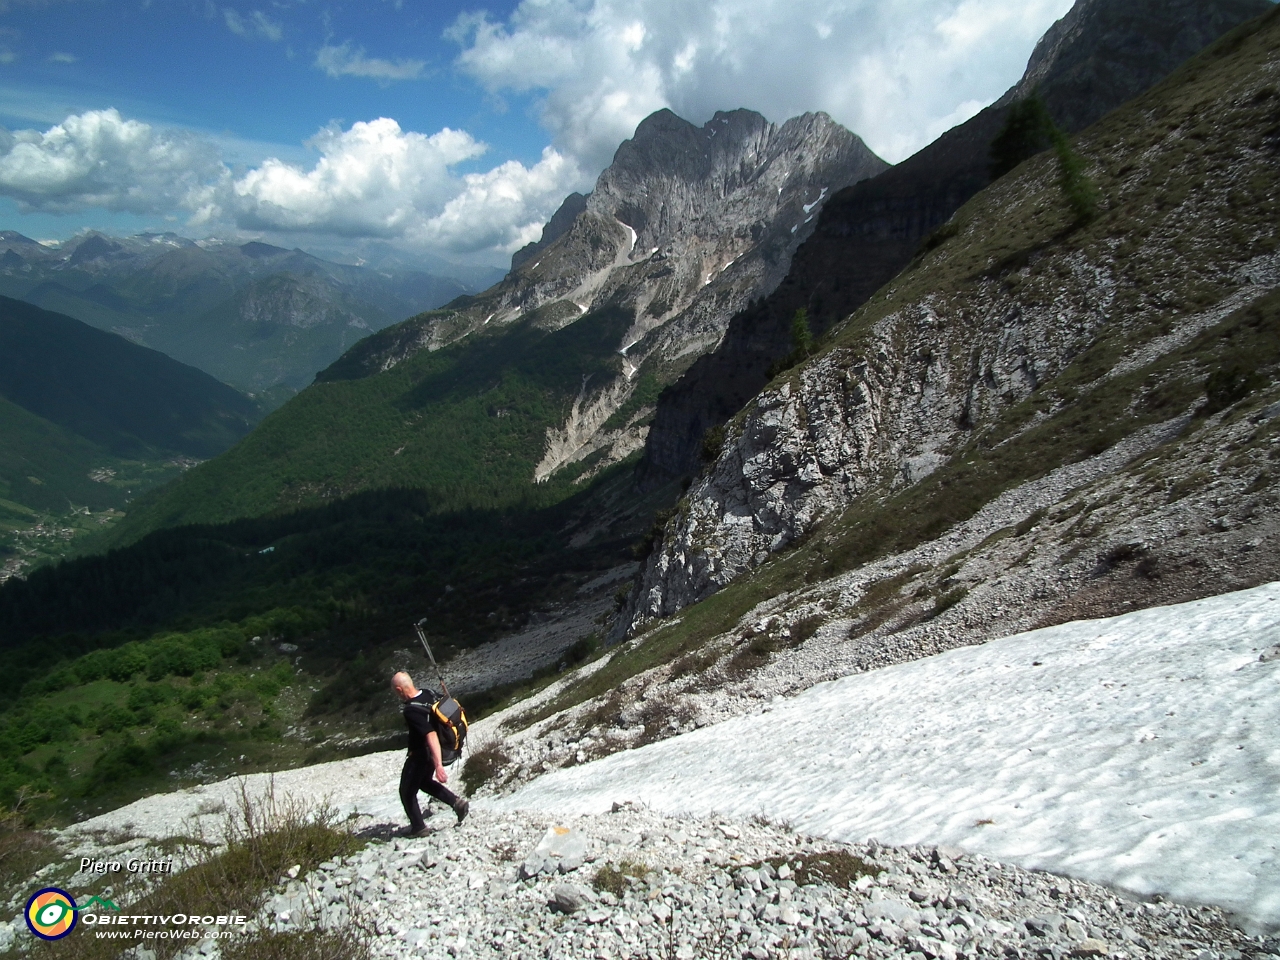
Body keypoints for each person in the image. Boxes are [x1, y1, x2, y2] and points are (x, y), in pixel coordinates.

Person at [391, 671, 469, 837]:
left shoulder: (411, 710)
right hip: (435, 751)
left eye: (394, 691)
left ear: (399, 690)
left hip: (421, 754)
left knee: (406, 791)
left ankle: (418, 828)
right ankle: (457, 803)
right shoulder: (429, 693)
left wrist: (439, 765)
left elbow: (430, 734)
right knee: (424, 782)